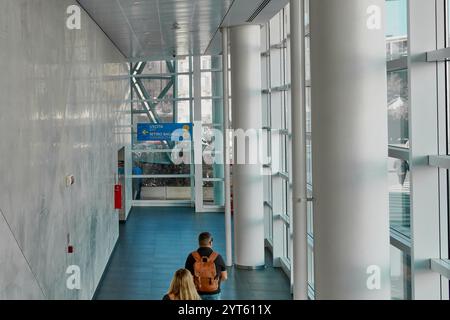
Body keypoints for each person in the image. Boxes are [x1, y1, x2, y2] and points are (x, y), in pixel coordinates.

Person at [185, 232, 227, 300]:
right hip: (214, 293)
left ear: (199, 242)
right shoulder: (217, 257)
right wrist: (214, 281)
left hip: (196, 292)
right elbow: (224, 277)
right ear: (210, 242)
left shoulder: (191, 256)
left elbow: (187, 277)